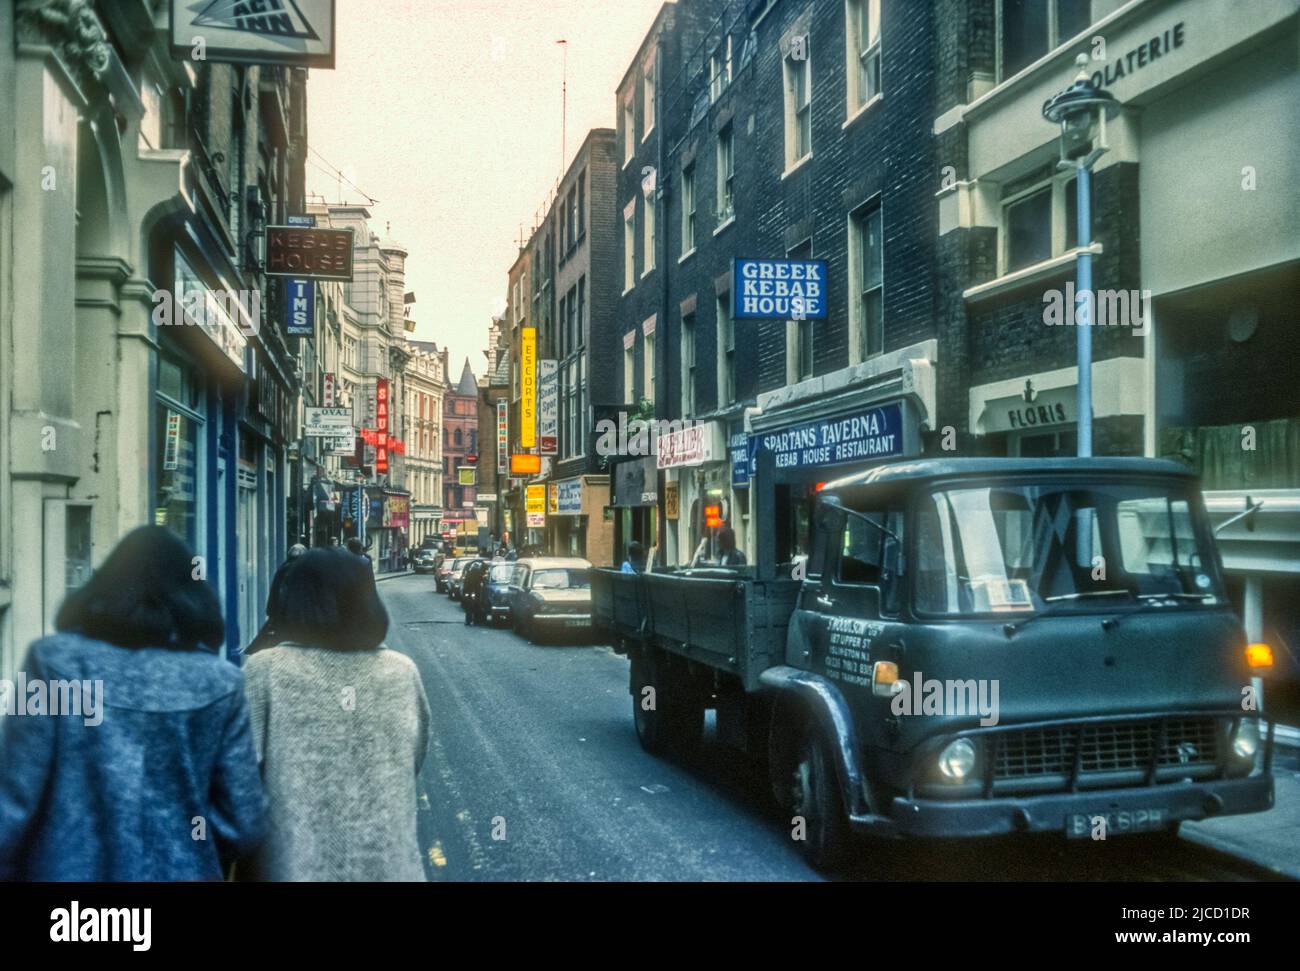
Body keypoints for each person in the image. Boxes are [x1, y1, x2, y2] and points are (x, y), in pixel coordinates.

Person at [0, 526, 266, 881]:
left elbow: (13, 802)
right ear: (193, 598)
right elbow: (242, 823)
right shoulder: (220, 683)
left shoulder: (52, 662)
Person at [242, 548, 430, 881]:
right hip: (390, 869)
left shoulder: (264, 672)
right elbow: (412, 759)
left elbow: (242, 785)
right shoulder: (402, 673)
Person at [461, 558, 489, 625]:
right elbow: (483, 580)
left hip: (471, 591)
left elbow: (466, 583)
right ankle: (476, 620)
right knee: (476, 605)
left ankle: (469, 620)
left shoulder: (470, 570)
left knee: (470, 606)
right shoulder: (481, 570)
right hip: (476, 591)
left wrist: (465, 593)